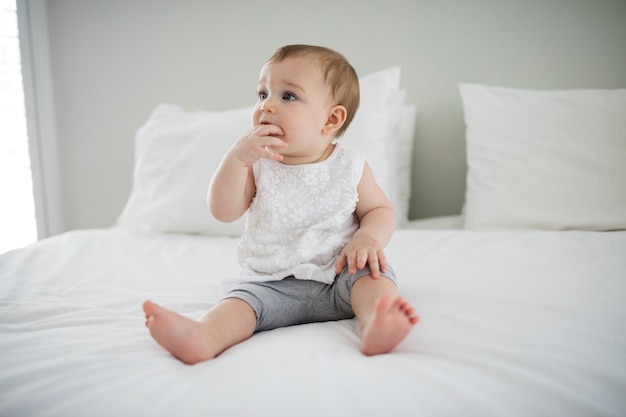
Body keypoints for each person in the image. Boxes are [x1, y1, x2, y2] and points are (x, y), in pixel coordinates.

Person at [143, 44, 419, 365]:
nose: (267, 106)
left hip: (340, 272)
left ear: (331, 119)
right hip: (271, 286)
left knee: (375, 277)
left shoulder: (350, 165)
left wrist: (367, 239)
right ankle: (204, 336)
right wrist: (236, 160)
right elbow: (224, 211)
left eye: (287, 96)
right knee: (239, 305)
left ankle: (377, 323)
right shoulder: (258, 165)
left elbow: (379, 211)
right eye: (263, 94)